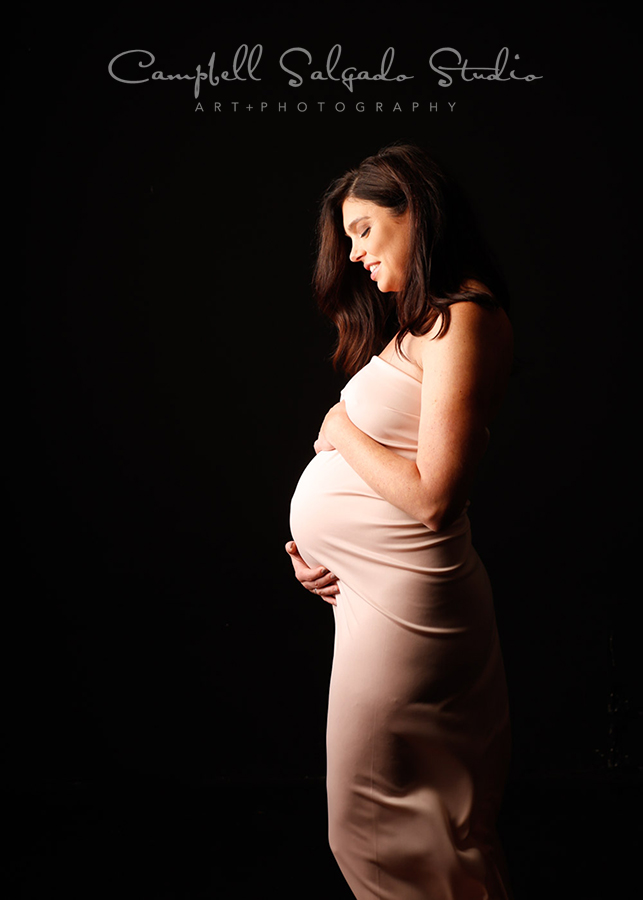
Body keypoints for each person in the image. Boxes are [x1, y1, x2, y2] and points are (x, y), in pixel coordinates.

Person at [286, 142, 514, 900]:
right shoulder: (420, 324)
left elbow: (432, 498)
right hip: (376, 601)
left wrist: (340, 430)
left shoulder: (465, 318)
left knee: (382, 831)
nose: (353, 255)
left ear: (412, 211)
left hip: (413, 612)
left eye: (361, 231)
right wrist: (321, 556)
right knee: (424, 836)